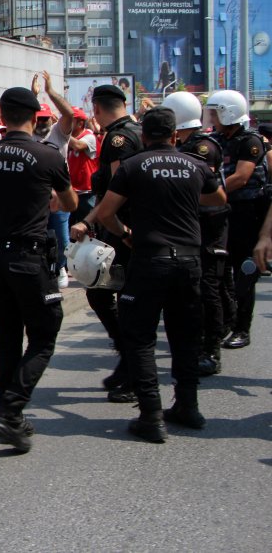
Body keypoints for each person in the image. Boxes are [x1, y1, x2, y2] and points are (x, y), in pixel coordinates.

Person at [0, 87, 77, 452]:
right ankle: (11, 410)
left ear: (1, 117)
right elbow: (68, 203)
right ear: (35, 116)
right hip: (28, 257)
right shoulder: (48, 155)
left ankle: (12, 416)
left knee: (7, 338)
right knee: (43, 333)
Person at [94, 108, 225, 442]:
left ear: (144, 136)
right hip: (188, 261)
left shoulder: (132, 166)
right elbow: (218, 199)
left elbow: (106, 212)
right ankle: (188, 406)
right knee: (185, 337)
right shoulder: (196, 164)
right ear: (175, 135)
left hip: (149, 259)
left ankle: (151, 415)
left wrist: (125, 233)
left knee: (139, 337)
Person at [70, 84, 143, 404]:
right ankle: (129, 363)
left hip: (124, 231)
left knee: (111, 298)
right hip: (125, 228)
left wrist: (91, 221)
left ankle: (133, 369)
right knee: (111, 297)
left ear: (97, 109)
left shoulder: (118, 139)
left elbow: (119, 191)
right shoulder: (135, 131)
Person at [166, 93, 234, 376]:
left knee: (208, 288)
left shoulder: (202, 148)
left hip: (210, 226)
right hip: (192, 226)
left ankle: (211, 351)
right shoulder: (186, 145)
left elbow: (208, 193)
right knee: (193, 289)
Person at [205, 90, 269, 350]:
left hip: (247, 211)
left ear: (228, 111)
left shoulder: (250, 140)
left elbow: (242, 177)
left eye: (215, 111)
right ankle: (226, 322)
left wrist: (209, 194)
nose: (212, 117)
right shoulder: (217, 139)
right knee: (220, 272)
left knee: (244, 272)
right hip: (222, 212)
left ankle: (243, 328)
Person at [32, 71, 75, 288]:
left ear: (52, 118)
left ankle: (61, 268)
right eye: (38, 118)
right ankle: (43, 270)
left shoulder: (59, 133)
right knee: (37, 236)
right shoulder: (28, 135)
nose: (41, 122)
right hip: (36, 197)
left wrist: (50, 92)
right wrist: (33, 95)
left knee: (61, 235)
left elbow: (70, 115)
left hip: (59, 193)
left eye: (45, 118)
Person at [67, 108, 97, 226]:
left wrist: (60, 132)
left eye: (70, 120)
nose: (66, 122)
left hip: (86, 193)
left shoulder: (89, 136)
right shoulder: (67, 138)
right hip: (70, 192)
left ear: (80, 123)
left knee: (86, 229)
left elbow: (78, 145)